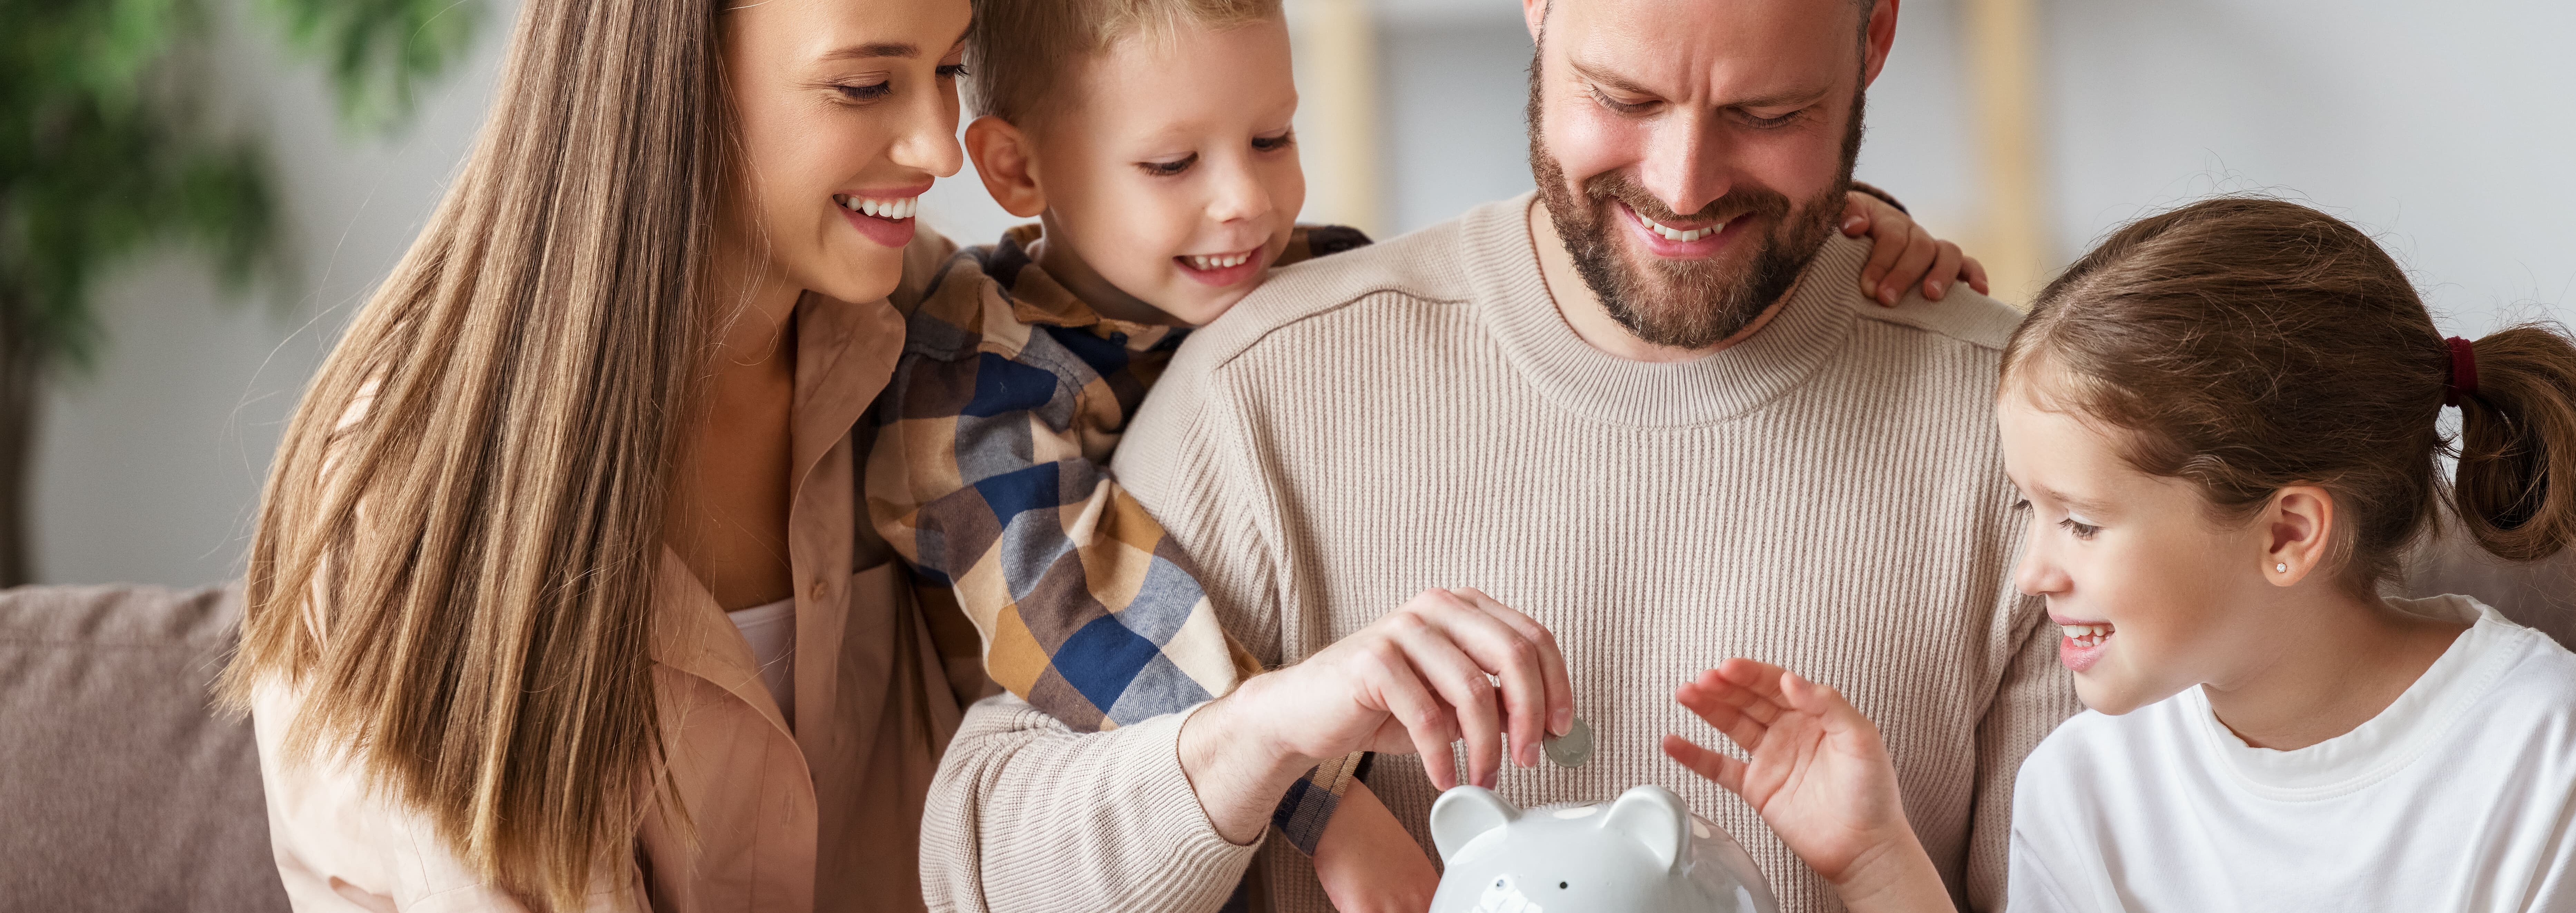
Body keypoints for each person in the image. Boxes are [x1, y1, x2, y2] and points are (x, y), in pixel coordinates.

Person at [920, 1, 2073, 911]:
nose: (1683, 184)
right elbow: (983, 873)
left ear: (1874, 38)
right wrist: (1265, 729)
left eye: (1769, 114)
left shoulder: (2026, 441)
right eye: (1623, 96)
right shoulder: (1264, 372)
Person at [1663, 197, 2576, 912]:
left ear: (2288, 534)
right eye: (2028, 509)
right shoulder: (2089, 781)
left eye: (2078, 520)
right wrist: (1877, 858)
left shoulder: (2544, 752)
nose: (2033, 571)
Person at [218, 0, 978, 908]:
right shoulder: (410, 481)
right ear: (675, 82)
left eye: (952, 71)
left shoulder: (949, 339)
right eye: (863, 86)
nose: (945, 149)